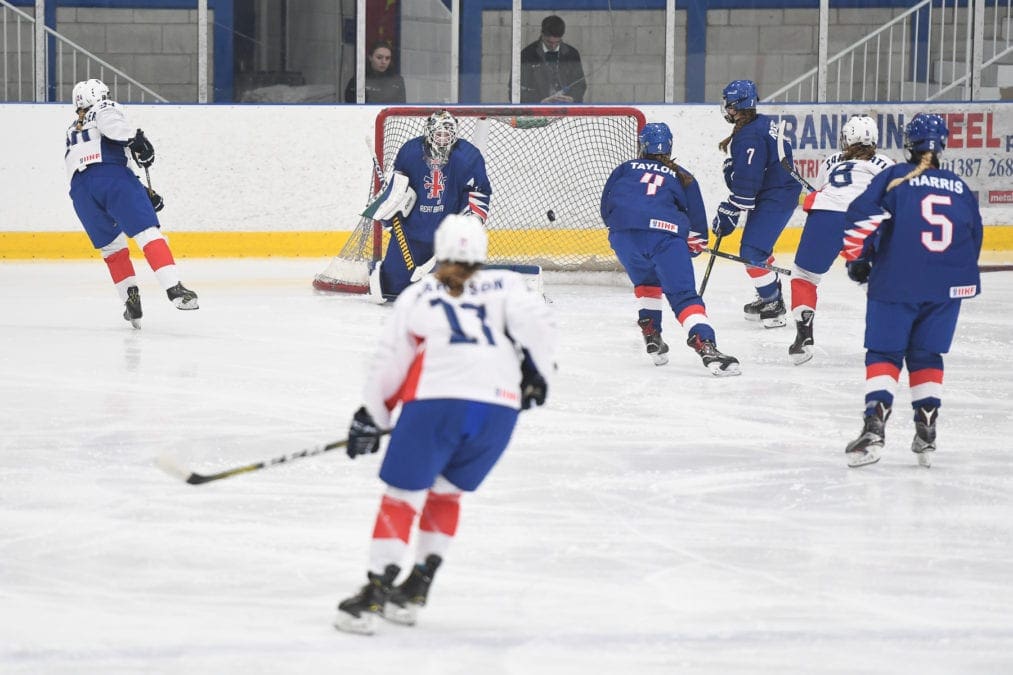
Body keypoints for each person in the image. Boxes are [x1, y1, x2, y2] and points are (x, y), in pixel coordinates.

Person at [333, 214, 556, 635]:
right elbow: (542, 330)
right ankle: (416, 587)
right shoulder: (510, 286)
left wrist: (372, 415)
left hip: (436, 405)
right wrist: (538, 378)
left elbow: (390, 361)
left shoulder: (420, 294)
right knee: (446, 493)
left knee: (401, 497)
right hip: (497, 412)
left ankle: (375, 594)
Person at [840, 113, 982, 469]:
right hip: (947, 287)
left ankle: (875, 424)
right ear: (943, 144)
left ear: (909, 144)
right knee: (926, 355)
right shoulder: (960, 186)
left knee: (885, 353)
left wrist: (859, 259)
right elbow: (973, 237)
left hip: (897, 281)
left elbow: (861, 217)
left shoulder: (895, 177)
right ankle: (927, 428)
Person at [600, 122, 740, 376]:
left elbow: (606, 207)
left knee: (647, 282)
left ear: (642, 145)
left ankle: (652, 335)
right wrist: (692, 248)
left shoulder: (624, 169)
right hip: (664, 238)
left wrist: (626, 230)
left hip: (623, 236)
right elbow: (697, 228)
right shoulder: (682, 175)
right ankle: (706, 345)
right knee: (684, 296)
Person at [65, 78, 198, 328]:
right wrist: (135, 138)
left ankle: (130, 300)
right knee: (147, 233)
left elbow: (95, 167)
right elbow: (113, 133)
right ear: (100, 95)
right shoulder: (103, 108)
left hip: (81, 193)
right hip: (113, 179)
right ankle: (174, 288)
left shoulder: (73, 128)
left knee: (113, 250)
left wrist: (143, 191)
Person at [788, 115, 895, 364]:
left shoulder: (831, 160)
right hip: (866, 217)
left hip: (827, 214)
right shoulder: (887, 164)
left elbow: (819, 191)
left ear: (847, 138)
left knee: (804, 276)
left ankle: (803, 338)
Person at [367, 109, 491, 302]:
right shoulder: (410, 151)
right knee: (393, 289)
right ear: (428, 132)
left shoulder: (468, 156)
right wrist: (388, 210)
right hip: (411, 232)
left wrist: (472, 218)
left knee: (451, 295)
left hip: (446, 235)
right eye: (438, 134)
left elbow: (479, 190)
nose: (443, 139)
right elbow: (398, 188)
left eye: (447, 134)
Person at [712, 79, 802, 329]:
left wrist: (731, 206)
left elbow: (747, 184)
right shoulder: (762, 124)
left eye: (729, 105)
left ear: (738, 106)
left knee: (752, 253)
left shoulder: (749, 136)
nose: (727, 109)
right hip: (775, 192)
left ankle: (773, 302)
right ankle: (769, 295)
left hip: (776, 195)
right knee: (757, 249)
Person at [518, 15, 586, 104]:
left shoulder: (572, 54)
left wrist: (572, 98)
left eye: (557, 42)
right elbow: (516, 89)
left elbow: (580, 84)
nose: (553, 46)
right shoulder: (527, 55)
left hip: (566, 109)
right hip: (536, 111)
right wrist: (539, 102)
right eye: (549, 42)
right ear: (542, 35)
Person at [343, 40, 406, 104]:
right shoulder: (358, 80)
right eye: (379, 57)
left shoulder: (397, 81)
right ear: (370, 57)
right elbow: (351, 108)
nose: (383, 62)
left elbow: (402, 107)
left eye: (387, 58)